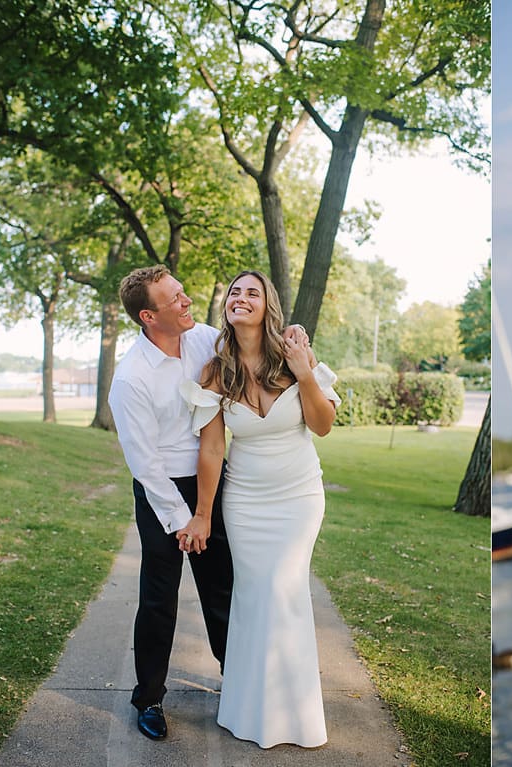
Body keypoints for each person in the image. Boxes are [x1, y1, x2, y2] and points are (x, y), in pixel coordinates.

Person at [181, 269, 340, 748]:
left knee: (284, 590)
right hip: (246, 504)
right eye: (234, 292)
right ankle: (249, 709)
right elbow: (211, 450)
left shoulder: (295, 355)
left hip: (298, 498)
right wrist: (204, 514)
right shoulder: (215, 371)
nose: (241, 298)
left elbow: (323, 424)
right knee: (254, 597)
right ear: (227, 308)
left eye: (252, 292)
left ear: (268, 303)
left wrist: (306, 372)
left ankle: (296, 714)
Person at [108, 265, 234, 741]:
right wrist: (185, 522)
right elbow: (144, 463)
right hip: (162, 491)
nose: (187, 302)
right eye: (175, 299)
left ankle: (236, 677)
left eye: (183, 292)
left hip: (211, 480)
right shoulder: (131, 378)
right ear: (148, 315)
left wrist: (294, 332)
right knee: (159, 598)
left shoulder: (204, 338)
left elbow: (253, 341)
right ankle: (150, 698)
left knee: (221, 586)